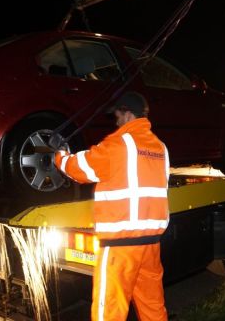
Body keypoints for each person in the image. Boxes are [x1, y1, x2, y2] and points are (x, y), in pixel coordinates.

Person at [52, 91, 170, 321]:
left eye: (116, 116)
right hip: (150, 245)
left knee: (109, 312)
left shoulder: (119, 144)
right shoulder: (160, 148)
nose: (115, 121)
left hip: (120, 247)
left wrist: (60, 157)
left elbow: (82, 167)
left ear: (127, 114)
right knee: (153, 308)